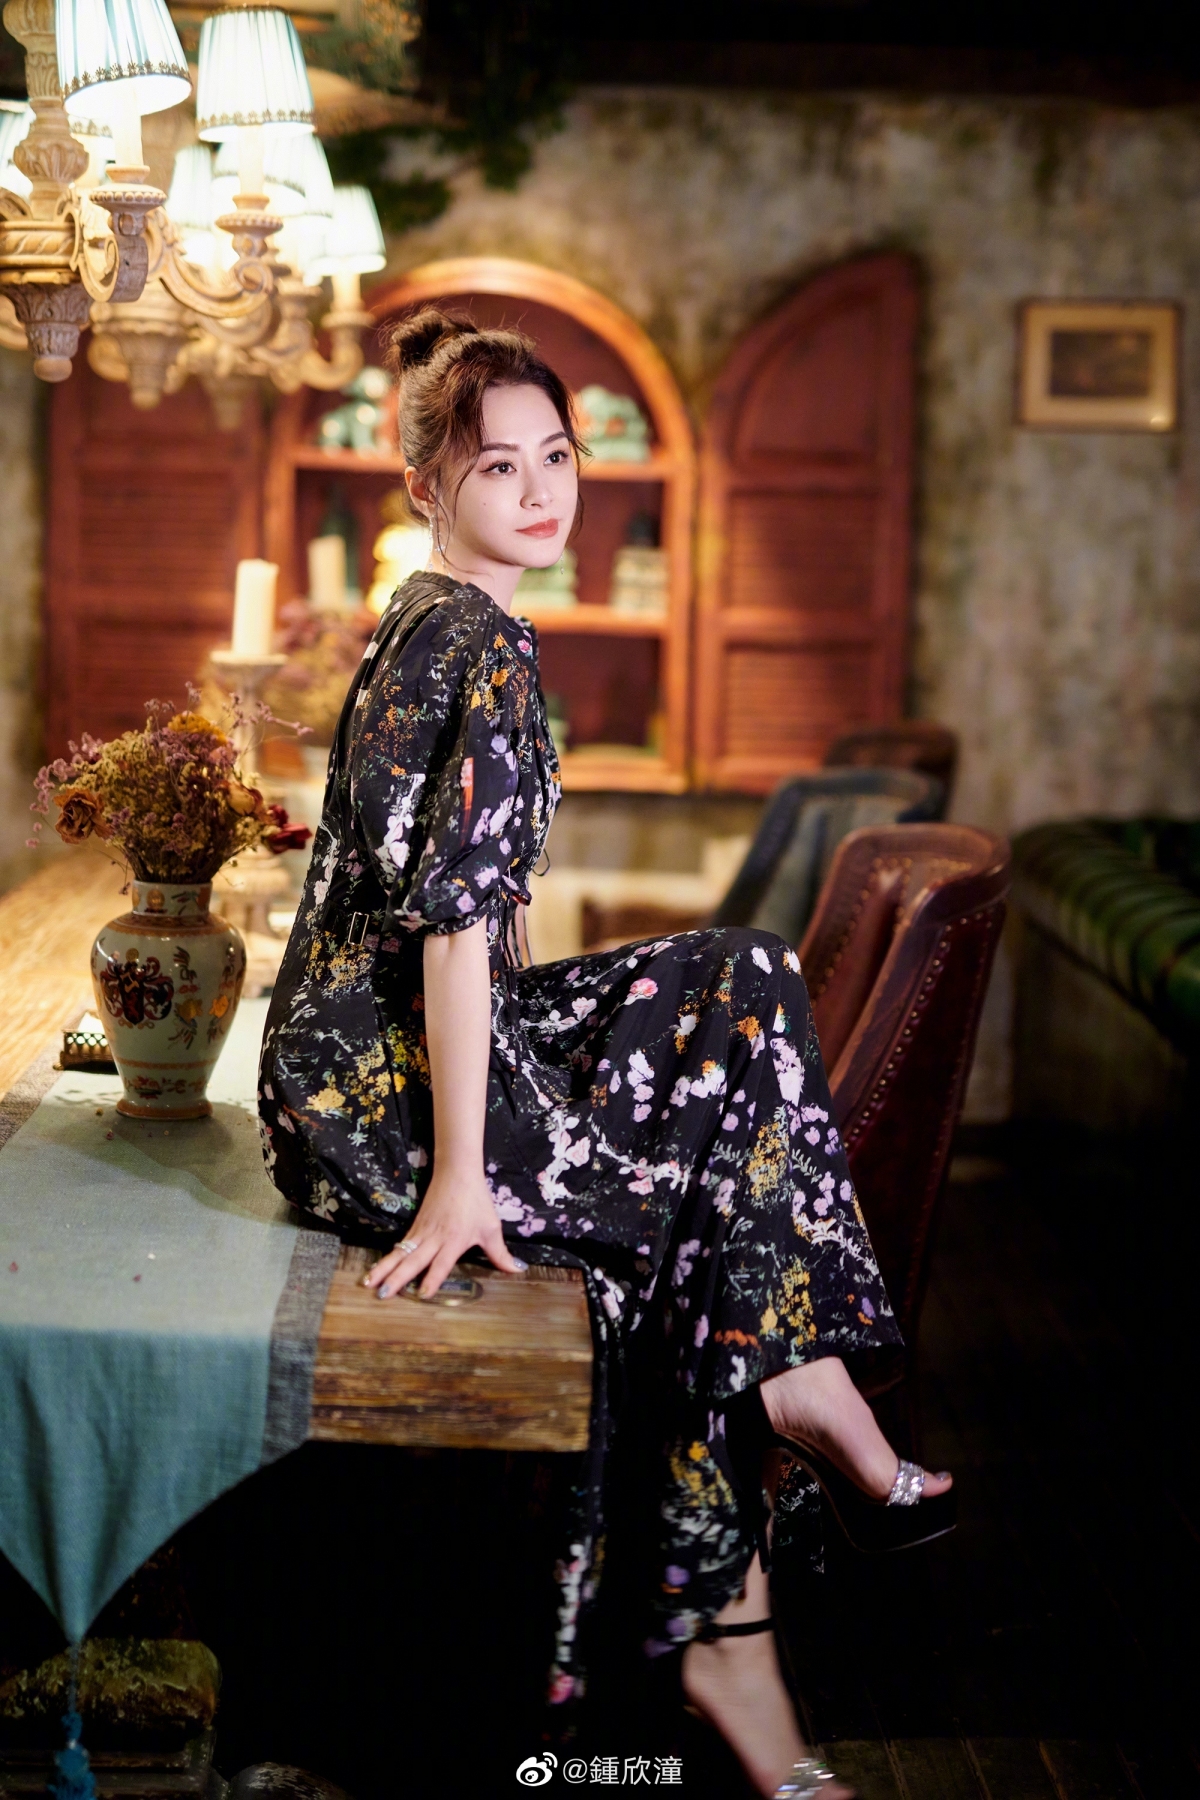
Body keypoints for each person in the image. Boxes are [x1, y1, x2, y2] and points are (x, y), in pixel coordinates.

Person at [258, 310, 953, 1800]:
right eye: (496, 466)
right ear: (426, 485)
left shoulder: (426, 614)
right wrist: (461, 1179)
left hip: (340, 1063)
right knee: (702, 1205)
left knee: (745, 977)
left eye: (556, 456)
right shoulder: (478, 641)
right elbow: (455, 933)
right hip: (381, 1094)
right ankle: (748, 1581)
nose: (539, 492)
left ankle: (786, 1435)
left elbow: (446, 923)